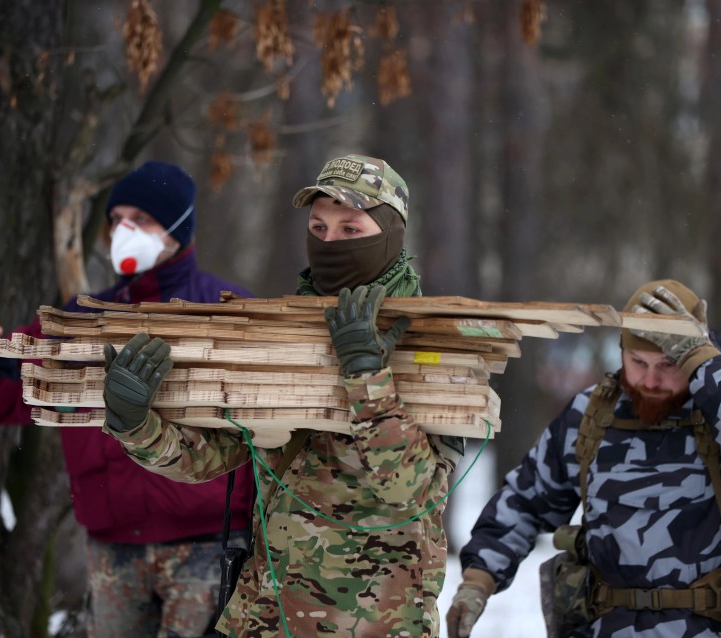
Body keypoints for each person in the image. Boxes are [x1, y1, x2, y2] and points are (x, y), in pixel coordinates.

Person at [101, 154, 466, 637]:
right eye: (319, 227)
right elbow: (210, 458)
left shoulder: (436, 345)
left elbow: (410, 491)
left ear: (391, 233)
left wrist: (366, 373)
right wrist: (136, 425)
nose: (329, 242)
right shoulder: (284, 334)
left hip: (376, 624)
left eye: (350, 229)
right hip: (265, 618)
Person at [0, 161, 255, 638]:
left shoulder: (228, 313)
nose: (123, 231)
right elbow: (9, 391)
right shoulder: (81, 320)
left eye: (141, 219)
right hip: (113, 552)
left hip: (208, 548)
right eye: (116, 218)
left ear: (177, 227)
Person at [446, 279, 721, 638]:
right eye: (637, 362)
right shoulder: (590, 415)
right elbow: (524, 502)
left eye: (668, 363)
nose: (650, 379)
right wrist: (478, 582)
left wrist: (706, 362)